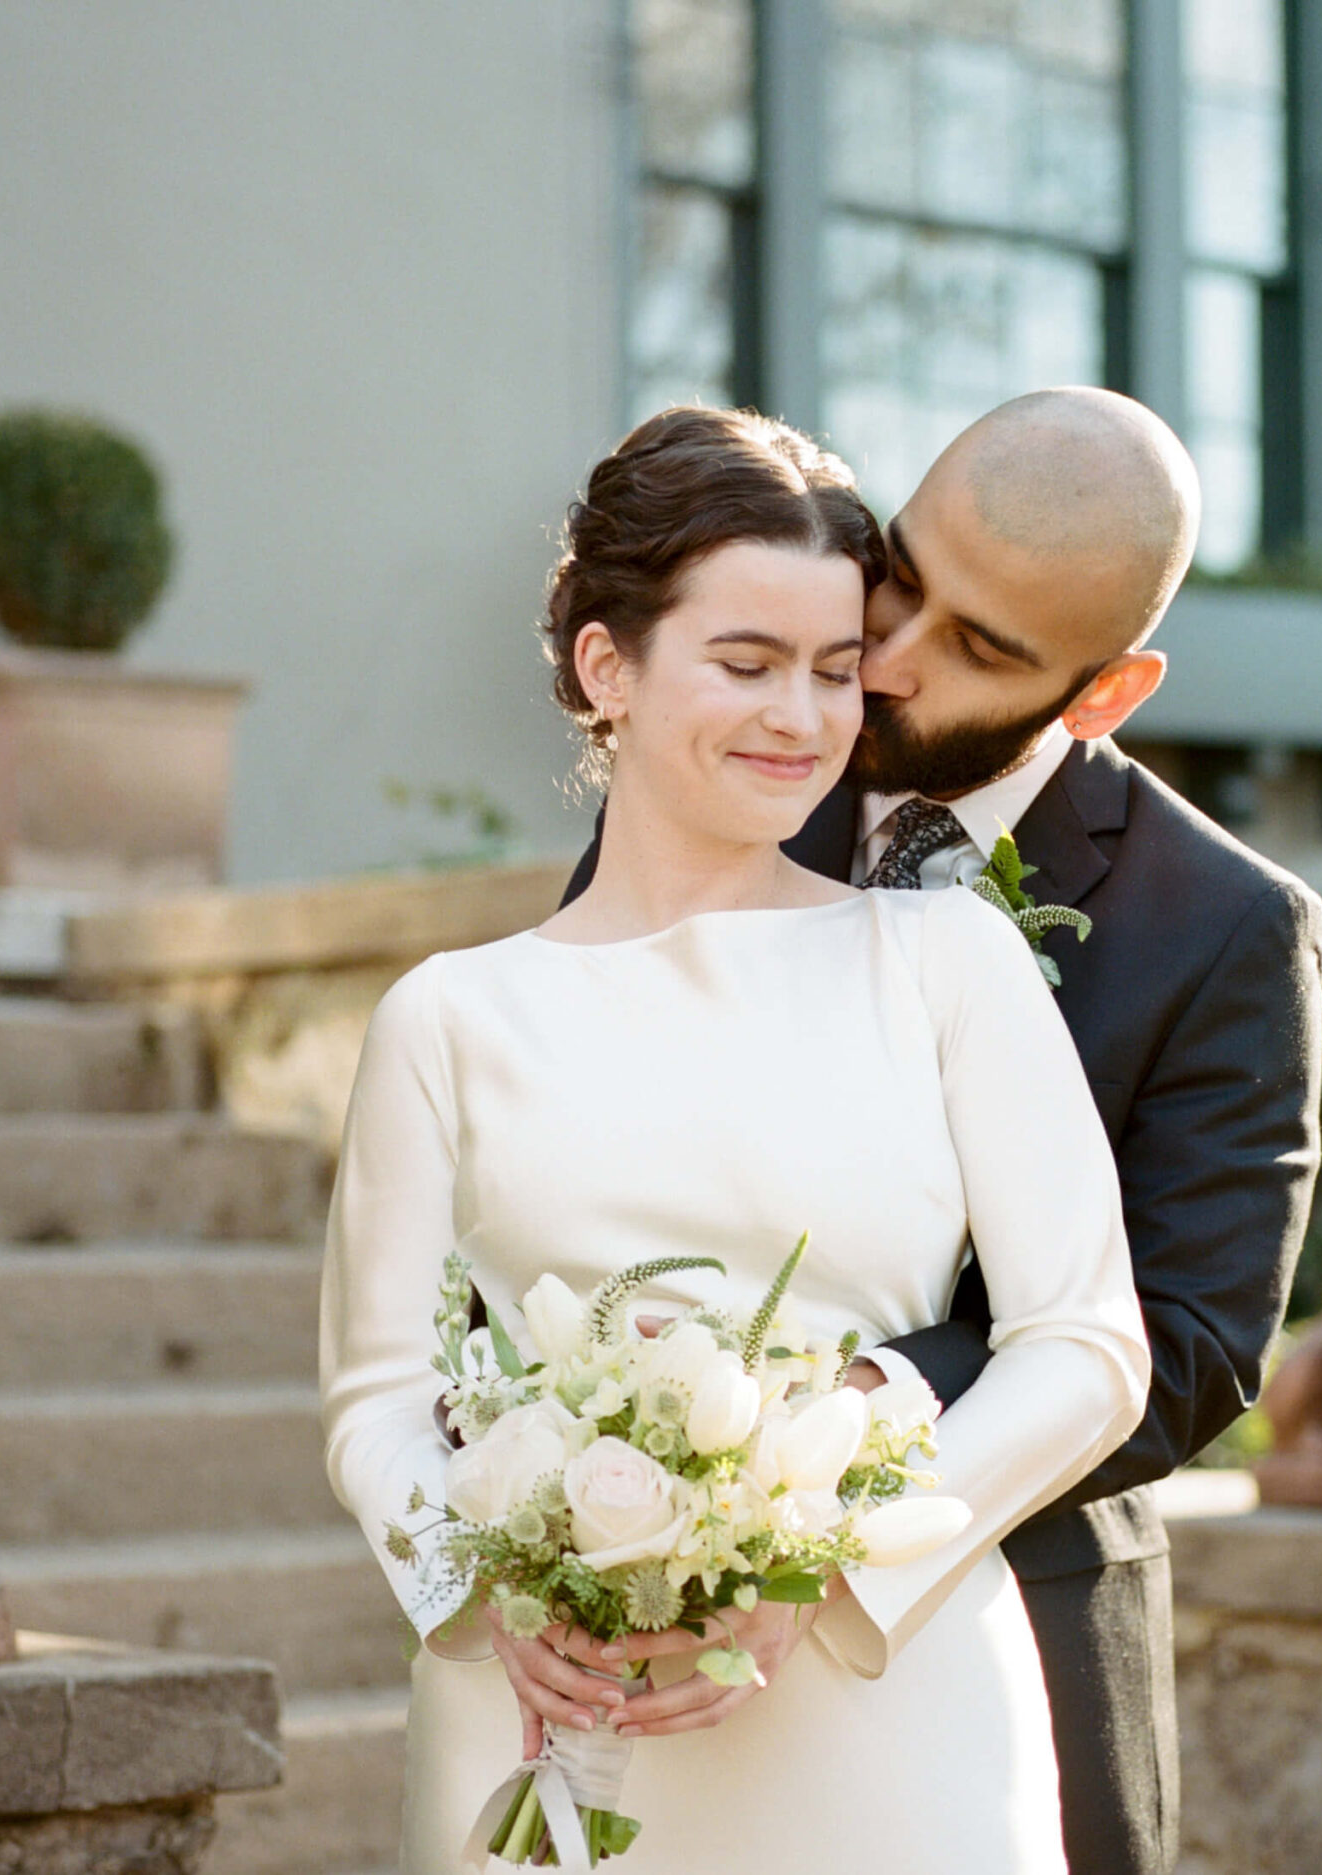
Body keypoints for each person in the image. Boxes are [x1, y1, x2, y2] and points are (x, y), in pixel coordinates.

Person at [318, 405, 1150, 1874]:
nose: (804, 717)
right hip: (553, 1721)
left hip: (885, 1690)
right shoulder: (448, 1018)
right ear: (606, 667)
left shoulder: (946, 961)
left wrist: (825, 1561)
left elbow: (1085, 1346)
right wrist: (485, 1594)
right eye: (747, 664)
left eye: (836, 672)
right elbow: (373, 1400)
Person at [563, 388, 1322, 1875]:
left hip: (1009, 1634)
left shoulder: (1226, 926)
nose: (886, 664)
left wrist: (819, 1419)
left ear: (1104, 694)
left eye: (982, 649)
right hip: (643, 1634)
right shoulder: (716, 763)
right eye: (900, 576)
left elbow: (1196, 1340)